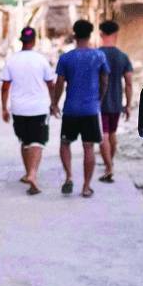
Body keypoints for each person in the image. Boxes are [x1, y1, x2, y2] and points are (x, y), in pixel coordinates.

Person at [50, 20, 109, 197]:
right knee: (88, 147)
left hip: (71, 109)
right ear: (90, 35)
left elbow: (59, 83)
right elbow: (105, 80)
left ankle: (69, 176)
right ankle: (85, 187)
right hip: (90, 109)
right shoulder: (99, 56)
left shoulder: (66, 58)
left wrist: (54, 103)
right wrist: (99, 98)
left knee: (65, 143)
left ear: (74, 35)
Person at [0, 27, 56, 195]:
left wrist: (4, 107)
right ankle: (32, 174)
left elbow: (5, 87)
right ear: (34, 41)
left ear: (21, 40)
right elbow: (50, 84)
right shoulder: (41, 60)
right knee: (37, 142)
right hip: (39, 107)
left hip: (19, 108)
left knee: (24, 141)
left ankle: (27, 173)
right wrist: (53, 103)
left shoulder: (12, 60)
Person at [97, 20, 134, 183]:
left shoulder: (97, 54)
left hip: (99, 102)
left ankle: (109, 167)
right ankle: (109, 163)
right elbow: (129, 83)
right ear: (116, 35)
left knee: (102, 135)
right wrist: (128, 105)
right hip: (117, 101)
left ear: (100, 34)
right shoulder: (122, 56)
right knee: (112, 133)